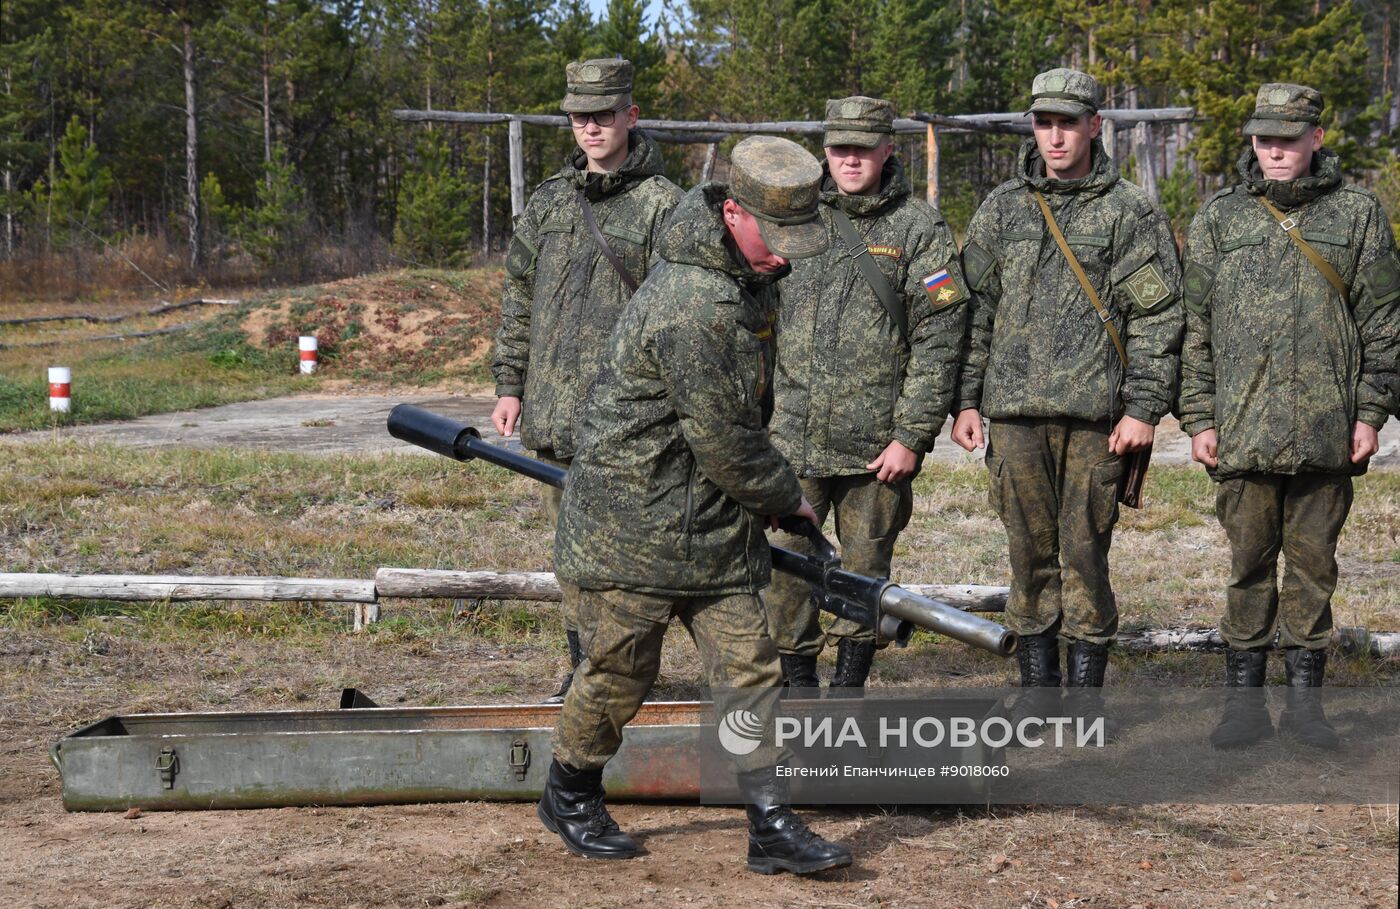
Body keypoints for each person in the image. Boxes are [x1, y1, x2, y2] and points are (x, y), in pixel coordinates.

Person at [538, 136, 852, 875]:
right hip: (632, 522)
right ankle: (570, 789)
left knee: (750, 671)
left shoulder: (748, 272)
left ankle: (770, 819)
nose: (787, 255)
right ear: (732, 211)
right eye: (777, 238)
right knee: (618, 673)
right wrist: (789, 502)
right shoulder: (697, 303)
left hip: (711, 522)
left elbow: (737, 426)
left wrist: (762, 500)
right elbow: (728, 441)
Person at [952, 68, 1183, 723]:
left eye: (1068, 122)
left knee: (1084, 554)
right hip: (1015, 416)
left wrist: (1144, 407)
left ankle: (1084, 700)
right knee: (1028, 554)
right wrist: (965, 401)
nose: (1055, 135)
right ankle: (1036, 690)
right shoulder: (1002, 209)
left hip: (1095, 421)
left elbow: (1157, 316)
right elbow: (972, 308)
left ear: (1093, 126)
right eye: (1043, 122)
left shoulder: (1128, 211)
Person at [1177, 84, 1400, 750]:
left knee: (1313, 570)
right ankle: (1242, 707)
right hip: (1241, 433)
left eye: (1289, 135)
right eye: (1264, 136)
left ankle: (1307, 707)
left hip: (1326, 433)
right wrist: (1197, 417)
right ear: (1251, 141)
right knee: (1247, 568)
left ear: (1317, 138)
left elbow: (1384, 325)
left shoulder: (1358, 215)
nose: (1275, 148)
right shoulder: (1221, 217)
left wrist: (1370, 412)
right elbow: (1196, 327)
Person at [490, 58, 682, 703]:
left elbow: (679, 318)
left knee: (625, 560)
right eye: (579, 116)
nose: (591, 127)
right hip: (552, 416)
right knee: (571, 560)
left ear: (630, 115)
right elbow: (520, 297)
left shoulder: (666, 208)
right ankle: (583, 671)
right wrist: (509, 383)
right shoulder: (548, 202)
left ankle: (620, 671)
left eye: (603, 114)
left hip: (625, 427)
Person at [764, 96, 969, 695]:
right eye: (839, 148)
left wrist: (911, 435)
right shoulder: (795, 218)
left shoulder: (919, 227)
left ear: (887, 150)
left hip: (875, 448)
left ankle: (849, 693)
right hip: (791, 438)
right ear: (824, 152)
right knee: (783, 572)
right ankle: (797, 690)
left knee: (864, 572)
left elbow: (941, 333)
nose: (850, 159)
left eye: (862, 147)